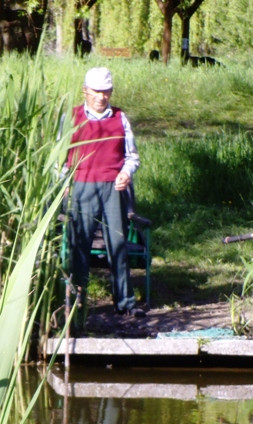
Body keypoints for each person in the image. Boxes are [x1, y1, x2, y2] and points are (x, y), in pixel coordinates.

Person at [65, 66, 145, 320]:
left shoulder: (120, 118)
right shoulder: (72, 118)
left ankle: (125, 302)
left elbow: (132, 157)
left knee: (118, 244)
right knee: (80, 243)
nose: (101, 97)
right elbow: (60, 158)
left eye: (106, 91)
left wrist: (126, 173)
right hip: (82, 185)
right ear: (85, 91)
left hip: (113, 186)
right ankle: (78, 301)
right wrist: (64, 183)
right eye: (96, 92)